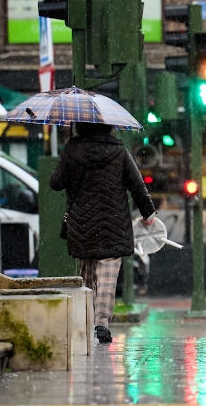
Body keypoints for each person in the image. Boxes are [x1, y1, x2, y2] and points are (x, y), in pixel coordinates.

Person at [50, 121, 157, 344]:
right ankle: (101, 323)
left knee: (87, 276)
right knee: (108, 277)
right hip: (114, 223)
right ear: (109, 127)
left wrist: (70, 157)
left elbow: (55, 183)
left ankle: (87, 322)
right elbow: (137, 185)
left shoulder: (72, 149)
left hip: (81, 225)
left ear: (80, 126)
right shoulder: (119, 151)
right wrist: (148, 213)